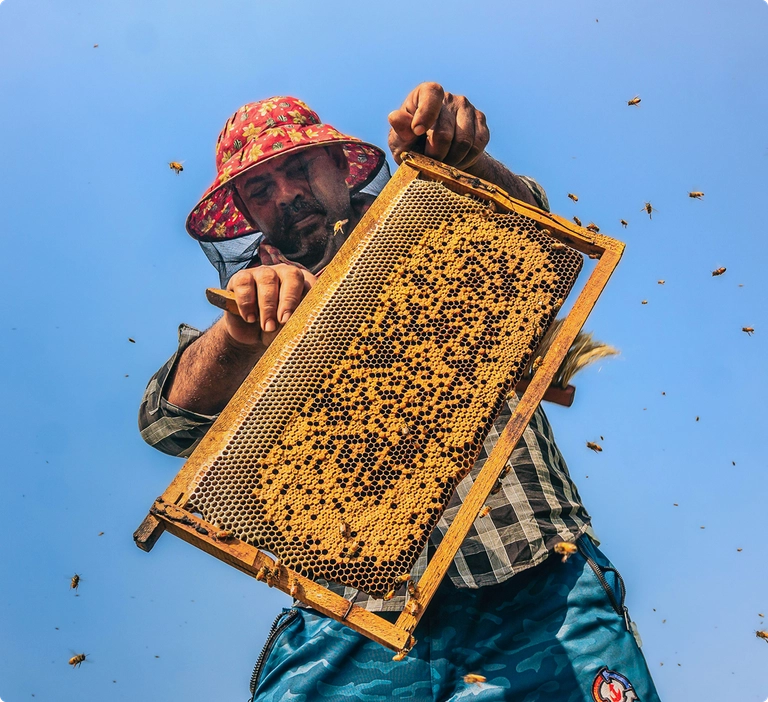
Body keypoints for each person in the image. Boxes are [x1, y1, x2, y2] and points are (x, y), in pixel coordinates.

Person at [139, 83, 660, 702]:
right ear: (246, 216)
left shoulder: (444, 221)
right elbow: (166, 423)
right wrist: (236, 334)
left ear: (341, 165)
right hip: (348, 616)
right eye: (260, 189)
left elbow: (534, 227)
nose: (286, 194)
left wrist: (466, 161)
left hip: (538, 581)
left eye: (298, 168)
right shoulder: (247, 307)